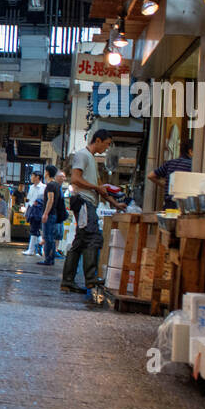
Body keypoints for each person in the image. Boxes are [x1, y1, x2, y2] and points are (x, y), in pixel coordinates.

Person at [61, 129, 123, 300]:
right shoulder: (83, 155)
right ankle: (90, 279)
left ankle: (68, 281)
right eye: (107, 144)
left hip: (87, 203)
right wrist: (96, 188)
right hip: (83, 202)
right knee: (93, 237)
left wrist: (115, 203)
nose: (107, 147)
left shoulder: (91, 160)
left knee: (80, 241)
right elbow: (75, 179)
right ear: (98, 140)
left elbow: (100, 187)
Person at [147, 140, 193, 210]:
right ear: (190, 151)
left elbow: (150, 175)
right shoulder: (192, 165)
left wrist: (167, 186)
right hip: (183, 206)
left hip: (168, 205)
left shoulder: (171, 162)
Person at [36, 168, 62, 265]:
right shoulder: (56, 185)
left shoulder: (50, 185)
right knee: (51, 237)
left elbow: (50, 200)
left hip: (50, 214)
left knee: (47, 237)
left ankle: (48, 259)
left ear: (47, 172)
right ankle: (51, 259)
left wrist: (45, 213)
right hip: (54, 214)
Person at [22, 171, 45, 256]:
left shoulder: (44, 187)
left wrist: (39, 203)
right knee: (34, 230)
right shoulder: (31, 187)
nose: (31, 177)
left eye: (32, 176)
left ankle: (34, 250)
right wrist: (26, 212)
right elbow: (29, 200)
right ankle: (37, 250)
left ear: (37, 177)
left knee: (35, 230)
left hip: (39, 211)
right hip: (32, 210)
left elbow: (45, 201)